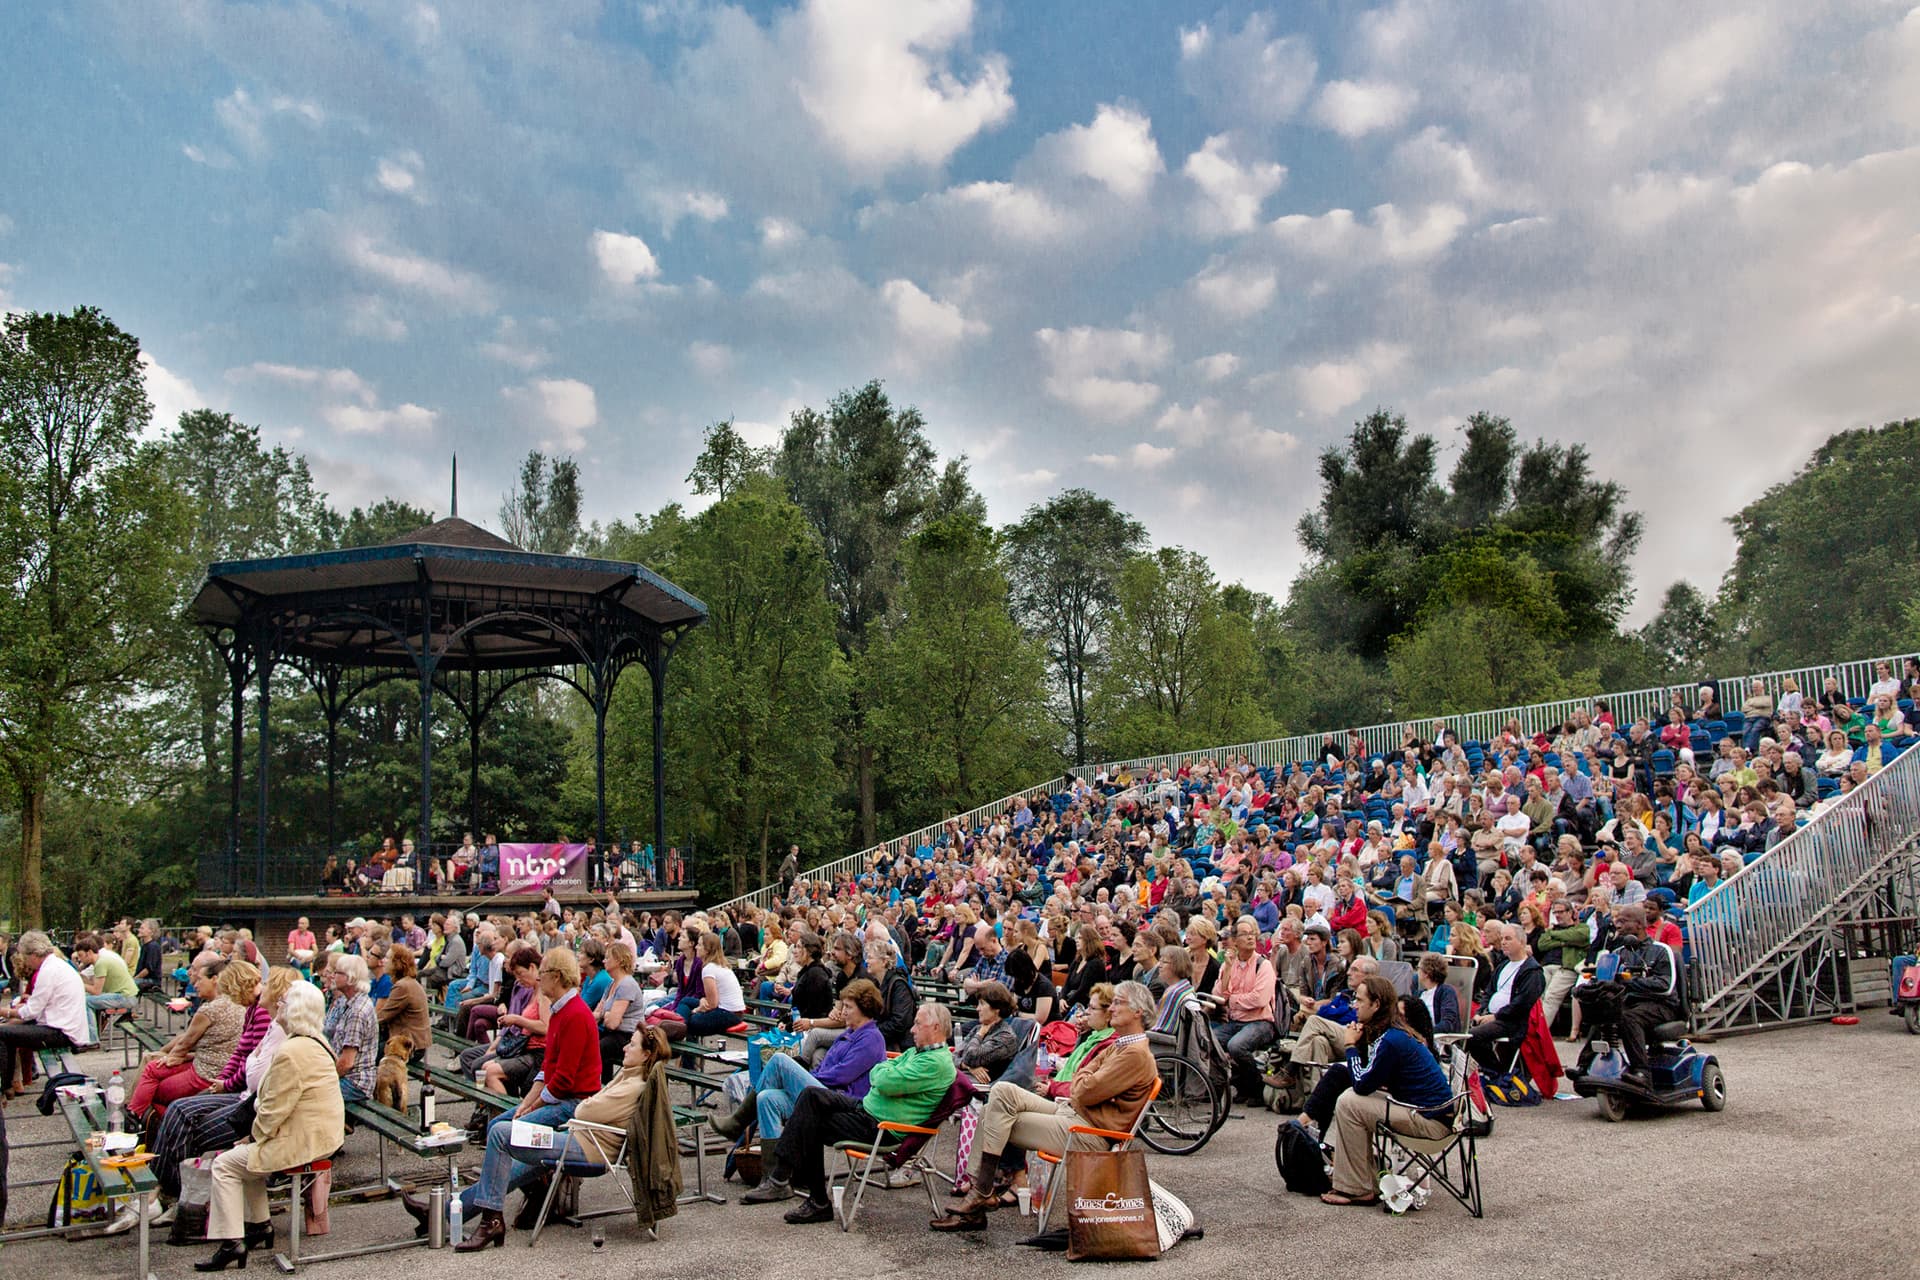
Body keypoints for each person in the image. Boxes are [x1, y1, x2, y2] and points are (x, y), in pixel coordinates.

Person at [930, 980, 1159, 1231]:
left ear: (1137, 1012)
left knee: (993, 1116)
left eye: (1118, 1002)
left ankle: (978, 1195)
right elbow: (1083, 1076)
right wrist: (1084, 1078)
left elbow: (1083, 1090)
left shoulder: (1134, 1053)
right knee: (1002, 1092)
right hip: (1073, 1113)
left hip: (1088, 1131)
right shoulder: (1122, 1044)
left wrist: (1083, 1079)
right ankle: (981, 1192)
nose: (1111, 1008)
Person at [742, 1002, 957, 1222]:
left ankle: (792, 1186)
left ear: (936, 1028)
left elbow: (883, 1080)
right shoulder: (915, 1052)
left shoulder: (936, 1063)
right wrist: (884, 1072)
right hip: (865, 1110)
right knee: (810, 1096)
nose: (912, 1029)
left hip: (882, 1127)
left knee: (810, 1114)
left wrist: (885, 1072)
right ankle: (789, 1184)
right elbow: (881, 1072)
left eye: (918, 1024)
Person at [450, 947, 603, 1250]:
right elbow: (547, 1070)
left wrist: (533, 1106)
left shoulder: (574, 1015)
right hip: (560, 1098)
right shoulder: (561, 1010)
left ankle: (487, 1219)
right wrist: (524, 1105)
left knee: (500, 1133)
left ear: (556, 977)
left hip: (573, 1105)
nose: (538, 978)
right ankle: (452, 1213)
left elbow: (564, 1081)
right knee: (502, 1128)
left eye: (543, 972)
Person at [194, 982, 345, 1272]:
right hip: (320, 1135)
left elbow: (273, 1110)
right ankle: (260, 1226)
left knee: (224, 1165)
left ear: (296, 1010)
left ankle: (231, 1243)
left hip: (302, 1141)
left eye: (284, 1003)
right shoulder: (316, 1041)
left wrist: (252, 1136)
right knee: (246, 1160)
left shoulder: (291, 1051)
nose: (278, 1007)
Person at [1314, 975, 1455, 1207]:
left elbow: (1361, 1083)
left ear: (1376, 1005)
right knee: (1352, 1100)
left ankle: (1357, 1188)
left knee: (1349, 1103)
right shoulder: (1392, 1032)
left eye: (1359, 1000)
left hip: (1431, 1123)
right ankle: (1361, 1179)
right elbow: (1370, 1077)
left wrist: (1350, 1046)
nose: (1354, 1005)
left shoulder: (1390, 1040)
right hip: (1431, 1113)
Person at [712, 978, 888, 1143]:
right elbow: (830, 1069)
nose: (843, 1012)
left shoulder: (871, 1038)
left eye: (848, 1007)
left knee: (779, 1061)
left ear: (864, 1008)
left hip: (843, 1102)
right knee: (766, 1098)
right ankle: (773, 1172)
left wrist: (804, 1078)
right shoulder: (850, 1033)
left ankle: (738, 1122)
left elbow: (841, 1075)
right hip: (828, 1093)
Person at [131, 959, 258, 1123]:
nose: (195, 984)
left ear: (215, 979)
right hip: (223, 1069)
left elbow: (185, 1042)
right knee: (152, 1070)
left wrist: (171, 1056)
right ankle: (141, 1117)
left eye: (199, 979)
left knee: (152, 1082)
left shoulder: (210, 1009)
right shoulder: (244, 1006)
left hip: (206, 1073)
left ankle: (140, 1120)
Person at [1573, 906, 1682, 1083]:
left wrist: (1629, 982)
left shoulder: (1661, 950)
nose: (1617, 925)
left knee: (1629, 1017)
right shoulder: (1618, 953)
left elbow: (1665, 986)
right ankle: (1584, 1065)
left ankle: (1642, 1072)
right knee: (1604, 1012)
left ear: (1639, 925)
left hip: (1662, 1005)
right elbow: (1605, 981)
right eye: (1617, 921)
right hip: (1630, 1003)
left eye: (1623, 921)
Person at [0, 931, 90, 1097]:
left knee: (2, 1033)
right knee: (7, 1031)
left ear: (34, 954)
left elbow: (30, 1012)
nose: (25, 962)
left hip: (61, 1031)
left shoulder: (48, 971)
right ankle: (9, 1084)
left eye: (25, 957)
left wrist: (4, 1011)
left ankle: (5, 1087)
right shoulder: (56, 965)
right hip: (63, 1025)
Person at [1210, 916, 1278, 1104]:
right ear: (1235, 941)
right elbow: (1219, 995)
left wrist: (1231, 1000)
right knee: (1209, 1040)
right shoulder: (1228, 964)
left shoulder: (1263, 965)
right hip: (1235, 1021)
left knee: (1236, 1046)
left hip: (1261, 1021)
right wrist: (1229, 970)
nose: (1250, 938)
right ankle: (1233, 1085)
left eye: (1252, 934)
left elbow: (1260, 999)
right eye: (1245, 934)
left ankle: (1257, 1087)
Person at [1466, 922, 1543, 1075]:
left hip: (1513, 1021)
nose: (1503, 942)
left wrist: (1495, 1016)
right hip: (1493, 1016)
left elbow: (1522, 1003)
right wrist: (1481, 1012)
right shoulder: (1503, 965)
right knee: (1461, 1031)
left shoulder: (1532, 971)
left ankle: (1496, 1073)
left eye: (1508, 938)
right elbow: (1489, 992)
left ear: (1521, 942)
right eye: (1502, 939)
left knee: (1473, 1037)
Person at [323, 954, 379, 1103]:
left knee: (312, 1096)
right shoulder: (348, 1002)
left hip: (355, 1083)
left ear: (350, 978)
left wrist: (325, 1079)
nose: (333, 976)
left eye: (338, 972)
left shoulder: (357, 1012)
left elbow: (347, 1063)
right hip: (348, 1077)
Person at [73, 932, 139, 1033]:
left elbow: (96, 991)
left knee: (85, 1001)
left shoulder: (101, 963)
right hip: (125, 995)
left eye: (81, 955)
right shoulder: (101, 959)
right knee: (86, 997)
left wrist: (78, 983)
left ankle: (92, 1039)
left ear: (89, 952)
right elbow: (92, 984)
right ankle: (91, 1032)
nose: (80, 959)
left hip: (125, 997)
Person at [376, 942, 431, 1060]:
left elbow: (382, 1016)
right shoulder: (406, 982)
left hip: (408, 1047)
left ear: (397, 963)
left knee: (365, 1055)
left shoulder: (403, 986)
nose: (383, 961)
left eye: (387, 958)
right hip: (409, 1042)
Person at [1416, 953, 1461, 1036]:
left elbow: (1448, 1023)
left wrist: (1426, 1034)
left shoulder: (1446, 992)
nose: (1416, 971)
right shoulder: (1420, 994)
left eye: (1418, 968)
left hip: (1437, 1039)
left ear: (1426, 973)